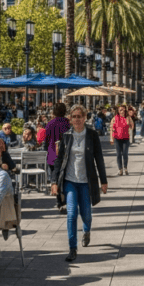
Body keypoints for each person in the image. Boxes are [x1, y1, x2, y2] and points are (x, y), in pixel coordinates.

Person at [52, 105, 108, 262]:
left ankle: (87, 230)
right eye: (74, 116)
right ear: (70, 118)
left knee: (87, 214)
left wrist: (103, 180)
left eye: (79, 116)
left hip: (86, 182)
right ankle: (72, 248)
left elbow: (99, 158)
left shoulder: (91, 135)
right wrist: (54, 181)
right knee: (71, 214)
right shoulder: (66, 136)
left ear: (85, 118)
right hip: (70, 181)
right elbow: (59, 160)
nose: (76, 119)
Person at [44, 102, 71, 210]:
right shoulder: (67, 124)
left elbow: (46, 141)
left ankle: (59, 201)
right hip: (65, 155)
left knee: (55, 177)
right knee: (64, 178)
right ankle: (64, 200)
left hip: (52, 155)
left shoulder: (50, 124)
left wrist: (47, 150)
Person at [111, 105, 132, 176]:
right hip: (117, 139)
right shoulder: (115, 118)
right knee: (118, 154)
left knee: (125, 154)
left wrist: (129, 125)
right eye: (120, 110)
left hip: (126, 139)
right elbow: (111, 128)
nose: (122, 111)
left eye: (123, 110)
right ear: (118, 111)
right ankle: (120, 169)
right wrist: (111, 138)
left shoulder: (128, 118)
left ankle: (125, 168)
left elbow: (132, 126)